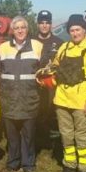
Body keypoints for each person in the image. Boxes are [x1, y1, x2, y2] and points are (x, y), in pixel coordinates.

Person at [53, 14, 86, 172]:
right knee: (66, 135)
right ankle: (69, 165)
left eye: (78, 29)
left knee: (83, 138)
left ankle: (85, 170)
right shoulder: (64, 48)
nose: (75, 33)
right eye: (72, 30)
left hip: (82, 101)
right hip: (62, 100)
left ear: (84, 30)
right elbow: (55, 67)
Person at [0, 16, 43, 172]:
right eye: (16, 28)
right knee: (12, 135)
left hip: (29, 98)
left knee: (28, 134)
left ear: (27, 29)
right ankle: (13, 162)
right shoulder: (3, 47)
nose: (20, 31)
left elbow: (43, 73)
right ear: (12, 30)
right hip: (9, 99)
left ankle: (28, 164)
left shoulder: (37, 46)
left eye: (23, 27)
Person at [35, 10, 63, 150]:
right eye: (42, 23)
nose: (44, 26)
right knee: (37, 111)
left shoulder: (59, 43)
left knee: (52, 111)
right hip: (35, 84)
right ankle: (38, 139)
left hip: (52, 85)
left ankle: (53, 142)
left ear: (51, 24)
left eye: (47, 23)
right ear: (38, 24)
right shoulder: (31, 41)